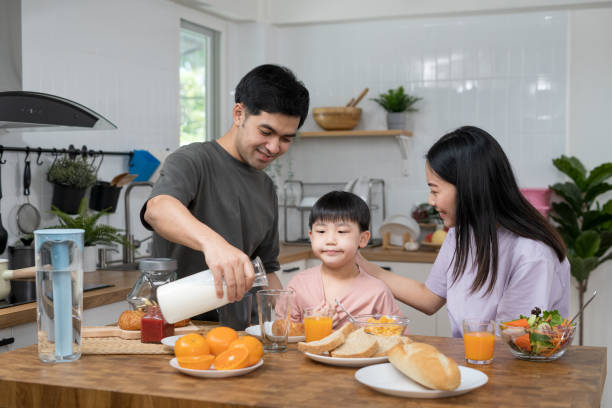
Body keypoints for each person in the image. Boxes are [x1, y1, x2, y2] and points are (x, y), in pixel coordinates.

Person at [356, 126, 570, 337]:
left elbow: (512, 340)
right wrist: (359, 263)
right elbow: (429, 298)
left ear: (468, 187)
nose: (431, 201)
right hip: (473, 362)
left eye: (434, 190)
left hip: (511, 366)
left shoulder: (531, 254)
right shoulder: (461, 234)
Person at [141, 64, 310, 322]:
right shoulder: (192, 160)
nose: (274, 147)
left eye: (286, 138)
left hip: (243, 334)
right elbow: (158, 209)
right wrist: (214, 245)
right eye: (266, 132)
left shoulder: (266, 187)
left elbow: (266, 270)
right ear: (239, 113)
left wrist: (293, 313)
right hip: (184, 330)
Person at [287, 191, 401, 328]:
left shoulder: (377, 292)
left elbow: (396, 338)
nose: (330, 240)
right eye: (321, 231)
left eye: (342, 232)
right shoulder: (298, 285)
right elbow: (282, 335)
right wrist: (310, 327)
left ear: (363, 239)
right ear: (311, 237)